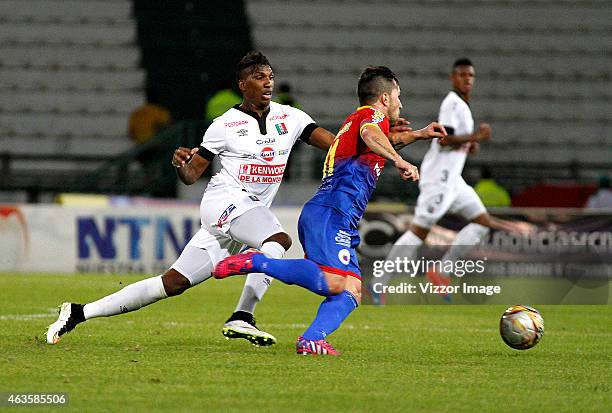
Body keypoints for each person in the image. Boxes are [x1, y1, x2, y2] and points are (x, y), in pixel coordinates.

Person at [46, 51, 340, 346]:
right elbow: (191, 175)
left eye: (270, 77)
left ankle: (78, 312)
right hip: (224, 201)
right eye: (259, 77)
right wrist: (180, 165)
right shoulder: (224, 125)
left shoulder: (291, 117)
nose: (267, 83)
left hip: (248, 213)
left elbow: (333, 145)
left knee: (172, 283)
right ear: (242, 84)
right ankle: (243, 316)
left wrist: (366, 147)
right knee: (278, 240)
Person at [213, 66, 447, 355]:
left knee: (351, 290)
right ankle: (256, 262)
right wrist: (399, 161)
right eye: (399, 95)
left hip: (335, 215)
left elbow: (376, 141)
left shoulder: (357, 121)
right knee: (334, 281)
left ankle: (312, 339)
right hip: (332, 212)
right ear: (384, 98)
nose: (402, 103)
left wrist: (420, 134)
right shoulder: (369, 117)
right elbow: (372, 134)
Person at [383, 58, 528, 301]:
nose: (467, 79)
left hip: (454, 181)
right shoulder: (452, 103)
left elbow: (455, 140)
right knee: (419, 231)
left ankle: (441, 271)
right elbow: (444, 138)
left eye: (470, 75)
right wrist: (476, 136)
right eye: (462, 75)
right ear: (453, 78)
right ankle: (380, 283)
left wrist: (469, 145)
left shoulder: (462, 105)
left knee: (481, 223)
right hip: (439, 178)